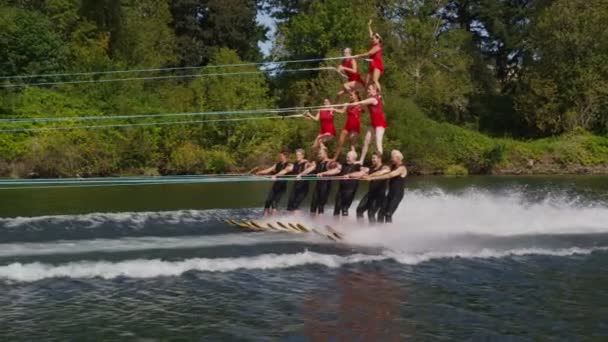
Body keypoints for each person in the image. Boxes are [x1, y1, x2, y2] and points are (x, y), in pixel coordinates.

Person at [363, 150, 407, 223]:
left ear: (398, 158)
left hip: (397, 195)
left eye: (392, 158)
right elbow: (382, 172)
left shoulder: (402, 168)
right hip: (390, 194)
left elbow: (389, 175)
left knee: (388, 214)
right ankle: (380, 230)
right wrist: (369, 175)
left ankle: (388, 232)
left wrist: (372, 178)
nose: (391, 160)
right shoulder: (392, 166)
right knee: (380, 213)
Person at [348, 84, 387, 164]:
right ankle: (361, 161)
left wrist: (353, 104)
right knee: (366, 141)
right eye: (368, 89)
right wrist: (350, 105)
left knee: (378, 142)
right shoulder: (372, 98)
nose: (368, 91)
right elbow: (361, 105)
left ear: (374, 91)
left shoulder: (373, 99)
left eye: (369, 89)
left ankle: (380, 162)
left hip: (380, 124)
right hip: (373, 124)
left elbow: (361, 102)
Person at [256, 151, 293, 216]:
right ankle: (264, 218)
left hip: (282, 187)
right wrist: (259, 172)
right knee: (268, 201)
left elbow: (284, 171)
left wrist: (276, 175)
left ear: (285, 157)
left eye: (281, 156)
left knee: (274, 203)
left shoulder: (289, 165)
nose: (280, 157)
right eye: (279, 156)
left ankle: (273, 219)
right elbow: (269, 170)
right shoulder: (277, 164)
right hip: (275, 186)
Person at [356, 152, 390, 223]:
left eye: (374, 158)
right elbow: (361, 173)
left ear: (379, 159)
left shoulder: (384, 167)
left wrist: (370, 176)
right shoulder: (371, 168)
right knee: (359, 210)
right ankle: (360, 227)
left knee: (371, 213)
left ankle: (373, 230)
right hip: (370, 194)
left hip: (379, 195)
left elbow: (383, 172)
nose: (372, 159)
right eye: (372, 158)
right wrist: (348, 175)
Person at [354, 19, 384, 93]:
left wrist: (358, 55)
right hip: (372, 64)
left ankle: (379, 96)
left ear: (378, 40)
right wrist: (369, 25)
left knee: (375, 80)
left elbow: (369, 54)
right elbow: (371, 34)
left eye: (374, 39)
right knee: (367, 83)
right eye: (372, 39)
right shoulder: (374, 43)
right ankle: (366, 97)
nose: (372, 39)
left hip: (377, 65)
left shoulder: (378, 47)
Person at [332, 91, 363, 161]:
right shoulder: (348, 104)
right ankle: (335, 158)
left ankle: (354, 160)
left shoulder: (360, 104)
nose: (350, 97)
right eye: (350, 95)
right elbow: (342, 111)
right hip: (348, 125)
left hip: (355, 125)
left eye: (351, 95)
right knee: (340, 142)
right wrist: (334, 109)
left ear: (356, 96)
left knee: (352, 143)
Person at [332, 151, 364, 217]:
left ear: (354, 158)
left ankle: (344, 225)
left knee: (345, 209)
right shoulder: (343, 165)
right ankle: (335, 224)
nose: (347, 159)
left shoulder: (357, 166)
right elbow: (335, 170)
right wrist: (323, 173)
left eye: (349, 157)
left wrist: (349, 175)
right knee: (337, 208)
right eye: (346, 157)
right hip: (341, 190)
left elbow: (362, 173)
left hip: (350, 191)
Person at [308, 148, 337, 215]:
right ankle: (311, 222)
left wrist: (323, 173)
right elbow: (310, 168)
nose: (319, 155)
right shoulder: (318, 163)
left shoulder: (330, 162)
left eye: (320, 153)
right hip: (318, 186)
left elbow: (336, 170)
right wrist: (301, 175)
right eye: (318, 154)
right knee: (313, 204)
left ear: (325, 153)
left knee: (320, 205)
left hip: (325, 186)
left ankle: (319, 222)